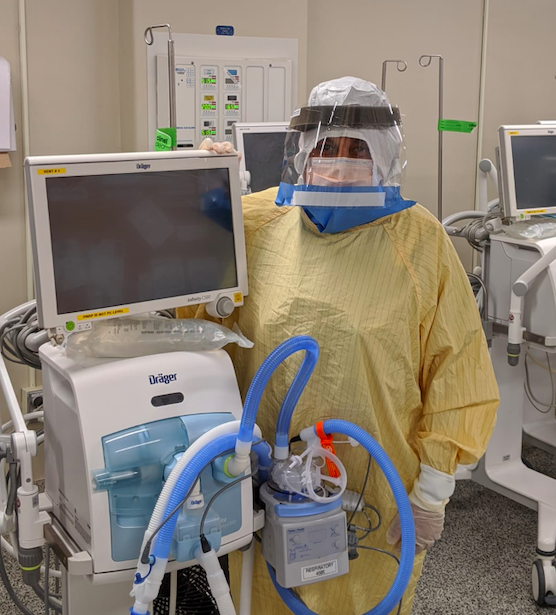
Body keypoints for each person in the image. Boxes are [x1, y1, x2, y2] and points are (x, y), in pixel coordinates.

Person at [178, 76, 499, 615]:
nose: (341, 160)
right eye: (328, 146)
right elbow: (188, 311)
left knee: (365, 596)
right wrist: (198, 190)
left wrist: (432, 492)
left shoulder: (421, 242)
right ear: (303, 153)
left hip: (376, 491)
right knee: (265, 595)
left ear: (386, 156)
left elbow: (458, 372)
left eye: (359, 148)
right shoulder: (257, 220)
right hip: (259, 479)